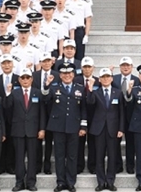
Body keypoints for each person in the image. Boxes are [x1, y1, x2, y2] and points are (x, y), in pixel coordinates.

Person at [42, 62, 87, 192]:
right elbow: (45, 98)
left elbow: (83, 109)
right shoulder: (53, 87)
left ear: (73, 74)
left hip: (74, 126)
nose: (67, 75)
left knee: (72, 155)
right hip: (58, 126)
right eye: (64, 73)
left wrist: (83, 126)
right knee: (59, 155)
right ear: (60, 75)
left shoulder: (80, 88)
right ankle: (61, 182)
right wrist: (46, 85)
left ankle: (71, 182)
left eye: (69, 73)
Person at [4, 68, 46, 192]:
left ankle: (31, 182)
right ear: (19, 80)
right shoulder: (14, 93)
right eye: (23, 78)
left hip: (33, 130)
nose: (26, 80)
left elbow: (42, 112)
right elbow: (7, 107)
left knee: (33, 158)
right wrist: (7, 93)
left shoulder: (38, 93)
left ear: (32, 79)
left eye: (28, 77)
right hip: (18, 130)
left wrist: (42, 129)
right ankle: (19, 182)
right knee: (19, 158)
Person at [86, 67, 125, 191]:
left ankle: (110, 181)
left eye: (108, 76)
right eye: (103, 77)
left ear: (112, 78)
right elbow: (90, 103)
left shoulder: (117, 93)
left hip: (113, 129)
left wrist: (121, 129)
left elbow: (122, 113)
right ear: (100, 79)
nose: (106, 79)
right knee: (99, 157)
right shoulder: (96, 93)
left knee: (112, 157)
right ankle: (101, 182)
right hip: (99, 129)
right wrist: (90, 89)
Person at [112, 56, 140, 174]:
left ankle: (130, 165)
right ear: (120, 67)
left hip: (132, 114)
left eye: (128, 65)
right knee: (115, 141)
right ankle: (118, 165)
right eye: (123, 65)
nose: (125, 67)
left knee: (131, 142)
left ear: (132, 67)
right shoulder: (113, 79)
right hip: (116, 114)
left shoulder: (137, 79)